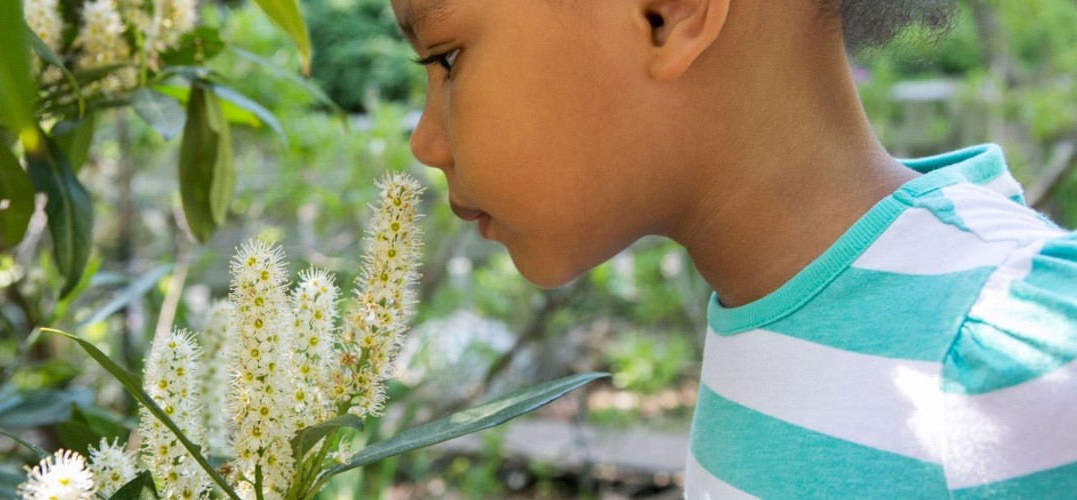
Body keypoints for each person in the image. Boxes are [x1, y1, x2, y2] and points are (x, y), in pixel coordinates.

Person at [389, 0, 1077, 497]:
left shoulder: (1017, 348)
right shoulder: (772, 309)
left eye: (448, 59)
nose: (424, 142)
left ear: (670, 13)